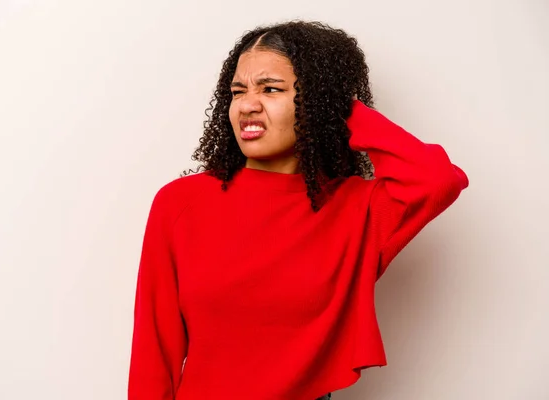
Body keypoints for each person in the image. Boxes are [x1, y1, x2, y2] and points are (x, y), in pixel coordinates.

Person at [128, 20, 469, 400]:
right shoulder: (180, 203)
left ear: (315, 101)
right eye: (237, 91)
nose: (248, 104)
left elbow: (437, 179)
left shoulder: (359, 209)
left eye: (271, 89)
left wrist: (335, 106)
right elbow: (153, 352)